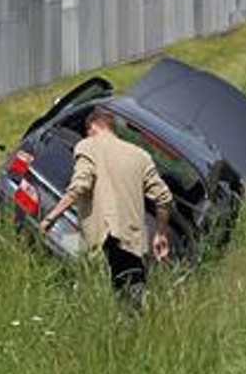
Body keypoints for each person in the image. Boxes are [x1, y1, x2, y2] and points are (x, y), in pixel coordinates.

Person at [41, 109, 174, 312]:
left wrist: (51, 217)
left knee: (98, 299)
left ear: (92, 127)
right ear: (112, 127)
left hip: (103, 240)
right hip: (132, 244)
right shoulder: (140, 155)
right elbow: (164, 198)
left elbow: (80, 186)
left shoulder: (87, 145)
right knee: (133, 304)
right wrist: (160, 234)